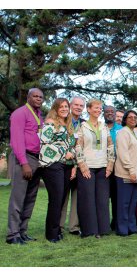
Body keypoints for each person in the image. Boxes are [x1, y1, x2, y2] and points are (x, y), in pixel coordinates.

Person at [6, 88, 44, 245]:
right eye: (35, 96)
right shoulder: (20, 113)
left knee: (30, 198)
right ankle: (12, 234)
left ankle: (22, 231)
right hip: (24, 159)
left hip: (37, 160)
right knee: (18, 198)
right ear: (28, 97)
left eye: (41, 97)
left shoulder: (39, 115)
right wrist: (24, 163)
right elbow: (16, 139)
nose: (38, 99)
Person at [75, 99, 115, 238]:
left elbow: (110, 146)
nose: (99, 110)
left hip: (103, 167)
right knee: (88, 199)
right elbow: (78, 146)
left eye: (100, 108)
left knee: (102, 200)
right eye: (96, 108)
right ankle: (89, 231)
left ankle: (103, 229)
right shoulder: (83, 126)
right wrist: (82, 166)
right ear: (89, 109)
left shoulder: (104, 126)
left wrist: (110, 165)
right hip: (87, 167)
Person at [39, 98, 77, 243]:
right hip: (53, 165)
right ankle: (51, 234)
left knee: (61, 199)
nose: (64, 109)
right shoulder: (50, 123)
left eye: (66, 106)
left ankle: (56, 230)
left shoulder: (68, 125)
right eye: (61, 106)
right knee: (55, 199)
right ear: (55, 108)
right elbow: (44, 143)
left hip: (67, 165)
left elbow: (72, 145)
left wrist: (73, 163)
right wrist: (63, 152)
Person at [114, 110, 137, 236]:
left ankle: (131, 228)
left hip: (135, 174)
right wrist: (131, 170)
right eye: (130, 117)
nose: (133, 119)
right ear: (125, 119)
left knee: (132, 203)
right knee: (124, 203)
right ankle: (122, 229)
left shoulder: (133, 133)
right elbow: (123, 153)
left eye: (135, 117)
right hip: (126, 174)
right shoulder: (122, 132)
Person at [60, 96, 85, 236]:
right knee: (62, 196)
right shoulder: (63, 121)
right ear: (70, 105)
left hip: (79, 164)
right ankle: (59, 225)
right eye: (76, 104)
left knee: (77, 197)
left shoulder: (84, 124)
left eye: (81, 105)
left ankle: (74, 226)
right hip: (65, 164)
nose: (78, 107)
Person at [103, 105, 123, 231]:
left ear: (116, 114)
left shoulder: (121, 129)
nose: (110, 113)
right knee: (103, 197)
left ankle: (115, 223)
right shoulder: (100, 128)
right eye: (107, 112)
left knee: (116, 197)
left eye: (112, 112)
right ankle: (103, 224)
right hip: (102, 166)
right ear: (103, 114)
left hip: (118, 168)